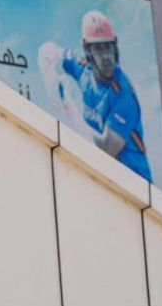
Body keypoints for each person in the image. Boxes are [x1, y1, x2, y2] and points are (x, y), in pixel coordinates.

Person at [39, 11, 151, 182]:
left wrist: (70, 110)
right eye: (98, 49)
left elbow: (106, 150)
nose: (106, 57)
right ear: (87, 50)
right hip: (101, 176)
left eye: (108, 47)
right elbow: (48, 50)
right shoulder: (83, 68)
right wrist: (51, 81)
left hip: (134, 184)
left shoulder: (124, 97)